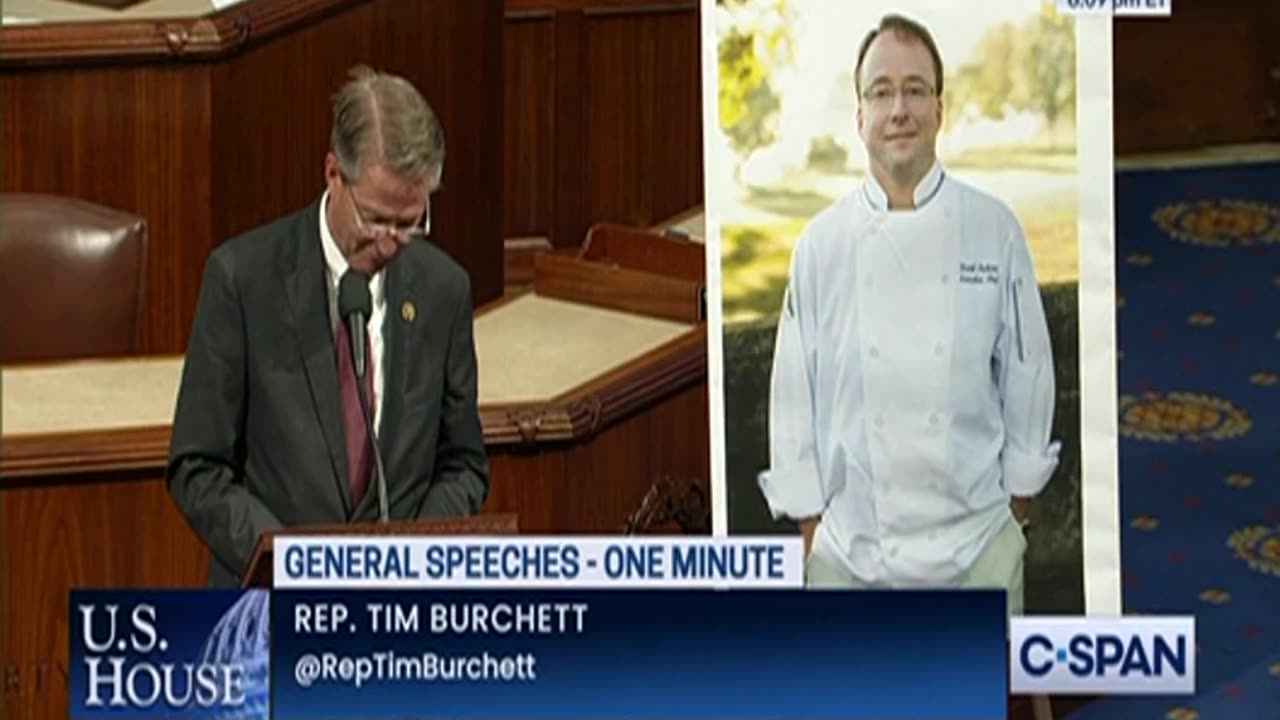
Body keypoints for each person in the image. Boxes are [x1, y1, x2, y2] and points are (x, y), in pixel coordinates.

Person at [758, 14, 1060, 614]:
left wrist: (1014, 519)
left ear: (940, 110)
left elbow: (1029, 378)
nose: (899, 109)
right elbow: (793, 396)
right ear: (860, 116)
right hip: (851, 562)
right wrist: (813, 535)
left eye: (916, 90)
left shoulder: (993, 228)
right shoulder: (821, 245)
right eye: (882, 92)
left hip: (977, 557)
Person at [168, 65, 489, 587]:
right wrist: (288, 563)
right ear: (333, 173)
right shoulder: (242, 280)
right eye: (376, 219)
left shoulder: (443, 290)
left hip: (400, 616)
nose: (391, 242)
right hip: (271, 613)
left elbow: (463, 464)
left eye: (411, 223)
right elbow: (197, 467)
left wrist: (419, 555)